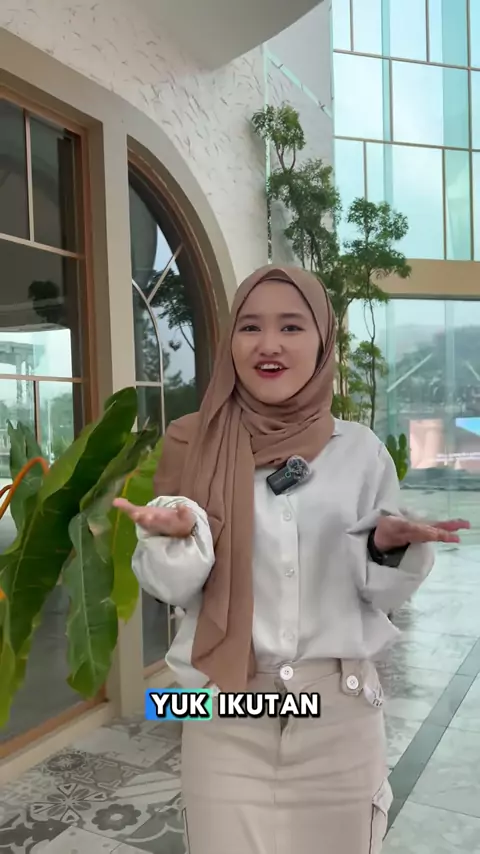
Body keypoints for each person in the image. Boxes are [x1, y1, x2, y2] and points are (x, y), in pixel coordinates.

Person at [114, 265, 468, 854]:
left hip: (339, 715)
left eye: (291, 326)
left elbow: (380, 595)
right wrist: (180, 536)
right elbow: (170, 588)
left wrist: (386, 548)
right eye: (250, 326)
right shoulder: (192, 442)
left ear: (322, 342)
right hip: (225, 713)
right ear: (231, 341)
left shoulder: (359, 452)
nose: (269, 344)